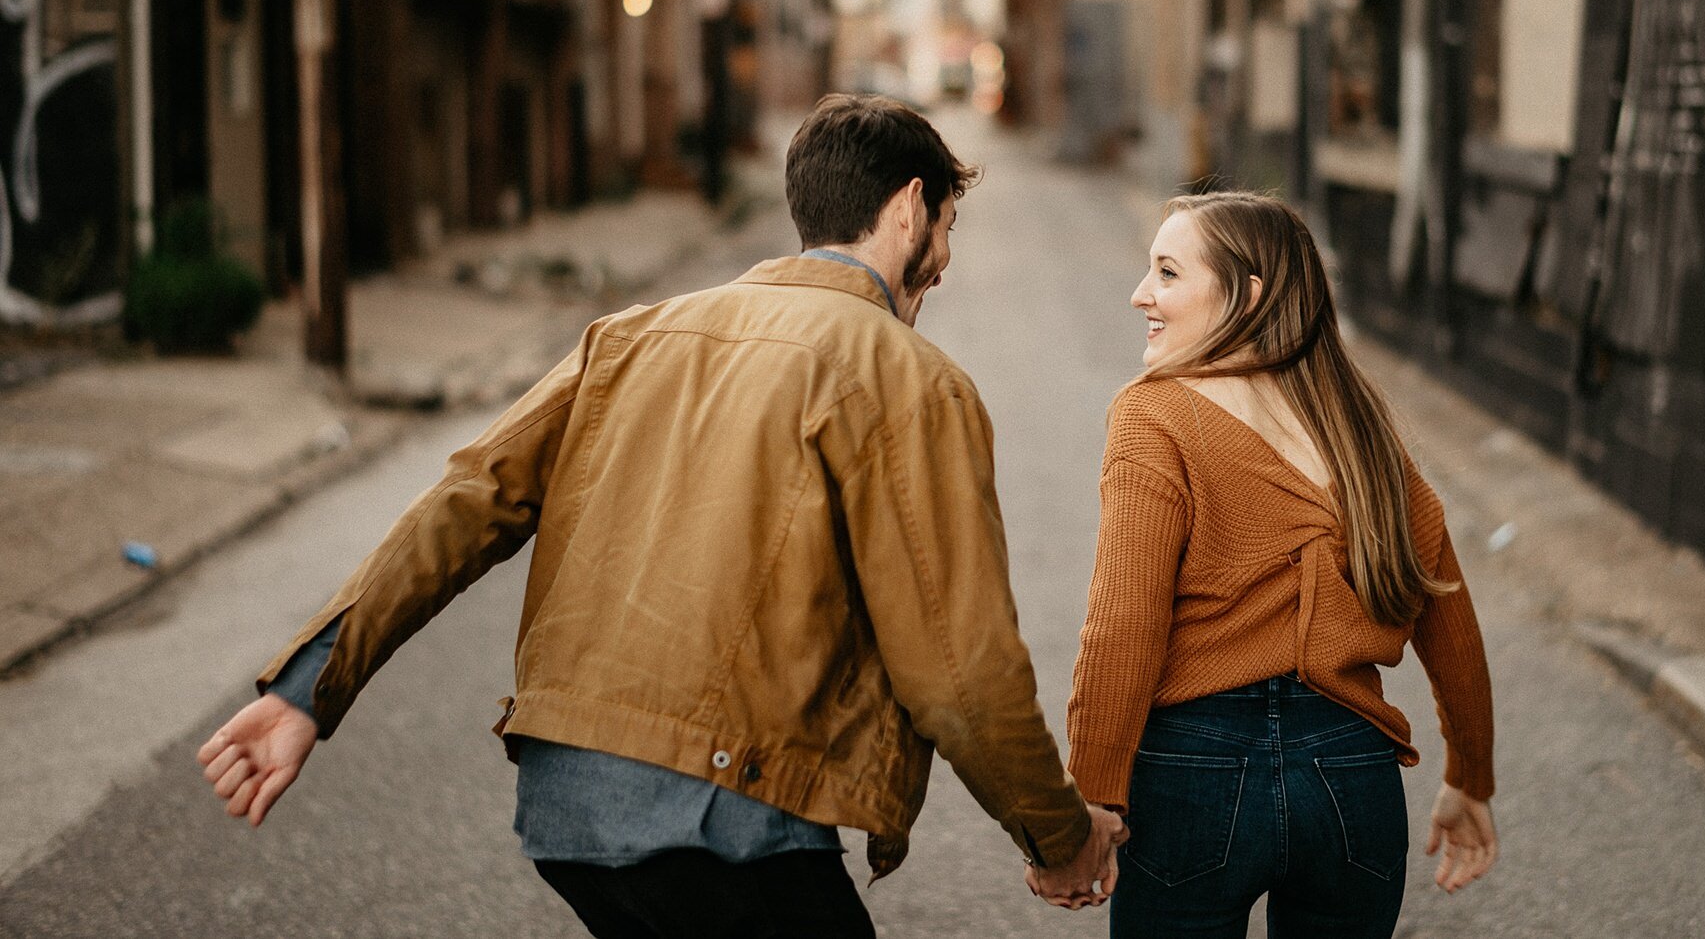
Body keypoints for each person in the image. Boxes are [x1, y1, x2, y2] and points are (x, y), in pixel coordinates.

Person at [197, 94, 1125, 938]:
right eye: (948, 227)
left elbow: (466, 499)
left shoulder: (633, 335)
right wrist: (1059, 836)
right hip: (724, 814)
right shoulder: (908, 378)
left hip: (570, 813)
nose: (946, 263)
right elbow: (961, 670)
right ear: (909, 208)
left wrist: (309, 687)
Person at [1058, 191, 1498, 938]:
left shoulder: (1155, 413)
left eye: (1167, 273)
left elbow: (1123, 626)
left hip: (1196, 776)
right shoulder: (1363, 434)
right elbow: (1448, 619)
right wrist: (1470, 779)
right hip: (1351, 779)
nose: (1141, 294)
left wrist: (1093, 798)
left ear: (1245, 295)